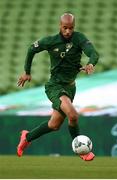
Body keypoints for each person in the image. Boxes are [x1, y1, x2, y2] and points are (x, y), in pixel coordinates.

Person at [17, 13, 99, 161]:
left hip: (70, 88)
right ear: (60, 26)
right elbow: (31, 49)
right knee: (73, 115)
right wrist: (27, 72)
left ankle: (27, 137)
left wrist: (91, 63)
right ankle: (81, 151)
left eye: (71, 28)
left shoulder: (79, 38)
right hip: (54, 86)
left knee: (54, 125)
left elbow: (93, 53)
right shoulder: (51, 41)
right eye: (65, 28)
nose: (68, 31)